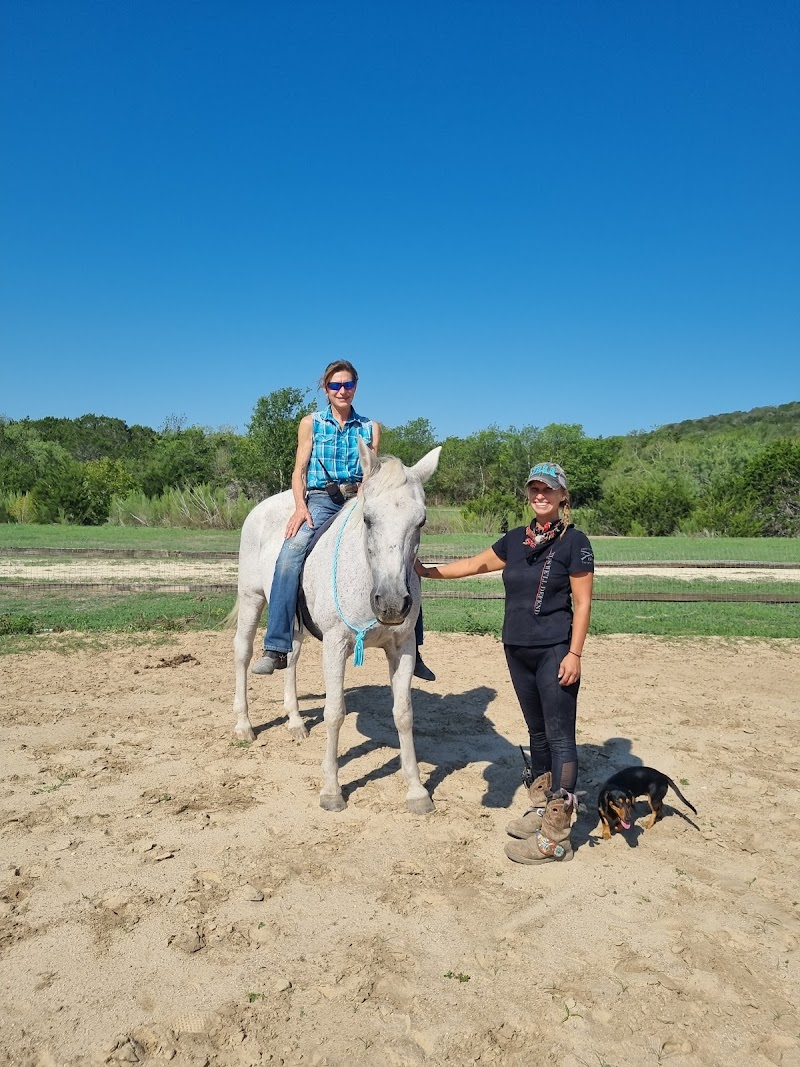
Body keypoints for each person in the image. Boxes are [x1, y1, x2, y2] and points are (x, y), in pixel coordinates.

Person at [414, 462, 593, 863]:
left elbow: (582, 603)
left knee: (561, 735)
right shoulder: (517, 540)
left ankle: (554, 839)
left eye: (548, 489)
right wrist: (427, 571)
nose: (540, 496)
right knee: (537, 732)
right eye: (533, 490)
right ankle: (541, 808)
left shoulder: (575, 542)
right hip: (517, 649)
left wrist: (574, 653)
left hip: (555, 650)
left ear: (563, 495)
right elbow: (475, 564)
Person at [252, 360, 436, 681]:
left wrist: (367, 499)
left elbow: (373, 472)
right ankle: (277, 645)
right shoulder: (311, 423)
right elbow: (299, 471)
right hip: (321, 499)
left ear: (355, 387)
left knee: (400, 557)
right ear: (326, 388)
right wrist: (299, 506)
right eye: (335, 385)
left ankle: (414, 647)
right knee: (289, 556)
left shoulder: (370, 427)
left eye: (348, 385)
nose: (342, 391)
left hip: (358, 499)